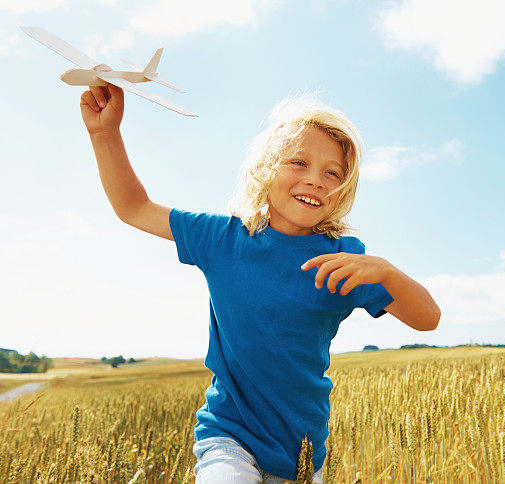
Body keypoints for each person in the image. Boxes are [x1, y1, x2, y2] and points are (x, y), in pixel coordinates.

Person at [81, 84, 441, 483]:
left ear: (343, 192)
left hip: (301, 450)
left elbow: (428, 319)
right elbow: (134, 207)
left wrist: (388, 273)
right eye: (298, 163)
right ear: (264, 169)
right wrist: (104, 133)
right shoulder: (222, 239)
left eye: (332, 173)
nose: (316, 180)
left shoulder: (347, 259)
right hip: (228, 435)